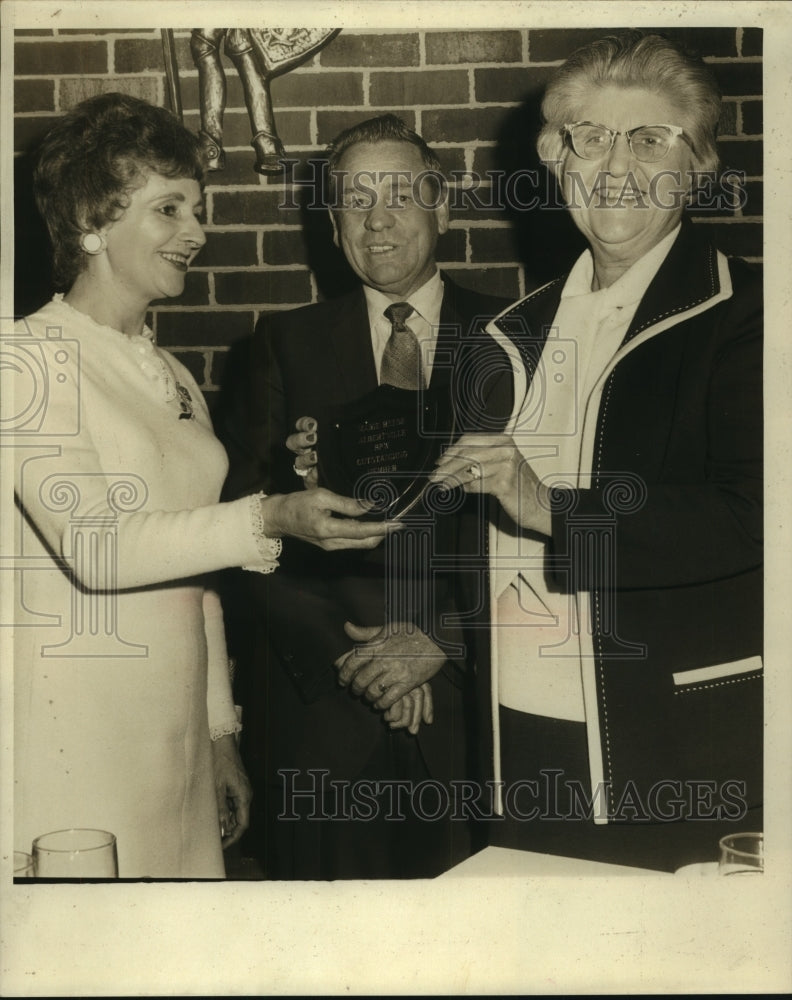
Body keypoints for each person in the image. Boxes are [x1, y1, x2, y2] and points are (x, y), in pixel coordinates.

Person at [8, 93, 393, 879]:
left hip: (174, 738)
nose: (198, 231)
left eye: (200, 208)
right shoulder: (26, 360)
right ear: (91, 219)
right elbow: (99, 548)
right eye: (169, 208)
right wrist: (274, 517)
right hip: (79, 731)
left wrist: (220, 734)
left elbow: (197, 572)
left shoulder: (169, 370)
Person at [431, 31, 763, 872]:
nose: (616, 164)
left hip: (678, 742)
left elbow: (753, 515)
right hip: (520, 738)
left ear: (697, 167)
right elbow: (482, 536)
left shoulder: (749, 315)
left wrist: (549, 507)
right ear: (556, 162)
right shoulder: (507, 333)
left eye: (650, 139)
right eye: (591, 137)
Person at [221, 114, 511, 878]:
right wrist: (361, 664)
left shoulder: (520, 337)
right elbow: (241, 530)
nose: (376, 219)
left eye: (399, 195)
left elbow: (553, 535)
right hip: (321, 716)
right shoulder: (281, 345)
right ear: (333, 222)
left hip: (470, 716)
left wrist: (440, 642)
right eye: (354, 200)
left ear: (441, 206)